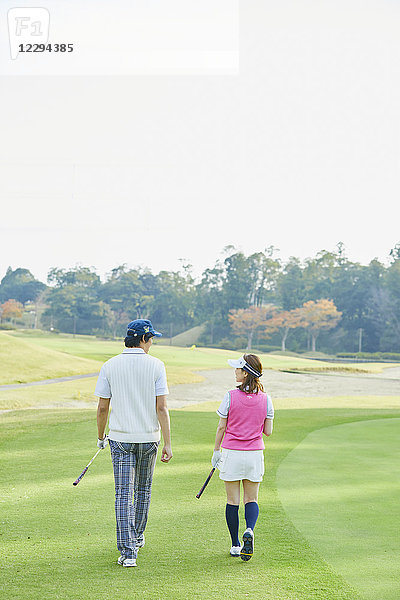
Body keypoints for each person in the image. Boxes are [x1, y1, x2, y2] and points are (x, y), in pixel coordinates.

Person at [95, 318, 173, 568]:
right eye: (151, 339)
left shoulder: (109, 365)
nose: (152, 344)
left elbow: (102, 407)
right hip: (149, 438)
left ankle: (129, 552)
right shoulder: (157, 365)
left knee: (123, 494)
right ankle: (136, 537)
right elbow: (162, 408)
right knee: (143, 491)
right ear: (143, 339)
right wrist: (168, 443)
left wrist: (100, 437)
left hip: (120, 438)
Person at [211, 353, 274, 561]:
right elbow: (268, 431)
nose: (235, 372)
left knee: (232, 500)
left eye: (238, 369)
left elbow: (221, 427)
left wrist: (216, 451)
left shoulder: (230, 395)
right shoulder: (266, 399)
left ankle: (236, 544)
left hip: (232, 453)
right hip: (254, 454)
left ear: (245, 373)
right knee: (251, 499)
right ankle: (250, 529)